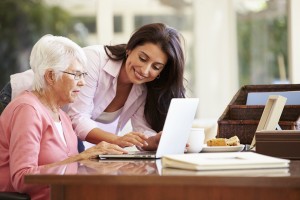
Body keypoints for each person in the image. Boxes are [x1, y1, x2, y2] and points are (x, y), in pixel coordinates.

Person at [0, 23, 186, 151]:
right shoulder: (93, 59)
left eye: (156, 67)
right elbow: (78, 117)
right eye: (142, 58)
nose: (145, 70)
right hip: (20, 100)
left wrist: (153, 140)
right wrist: (117, 140)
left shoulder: (143, 87)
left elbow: (140, 128)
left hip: (56, 120)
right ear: (130, 48)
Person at [0, 35, 127, 200]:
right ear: (51, 76)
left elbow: (68, 165)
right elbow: (22, 177)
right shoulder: (27, 110)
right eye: (76, 75)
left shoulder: (62, 116)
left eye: (84, 75)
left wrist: (98, 159)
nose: (82, 82)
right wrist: (80, 158)